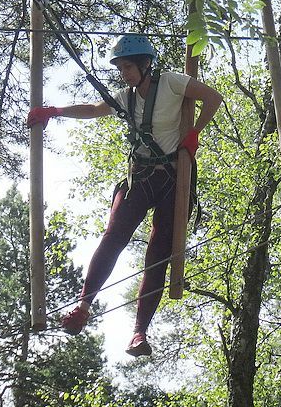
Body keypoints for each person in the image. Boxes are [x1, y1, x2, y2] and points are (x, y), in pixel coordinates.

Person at [26, 33, 222, 357]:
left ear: (146, 64)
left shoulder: (172, 82)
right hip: (141, 176)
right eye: (121, 68)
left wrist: (194, 134)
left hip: (174, 179)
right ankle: (84, 305)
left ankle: (139, 333)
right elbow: (92, 109)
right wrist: (54, 111)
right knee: (114, 235)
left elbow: (213, 98)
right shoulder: (126, 96)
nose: (124, 73)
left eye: (128, 67)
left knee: (159, 254)